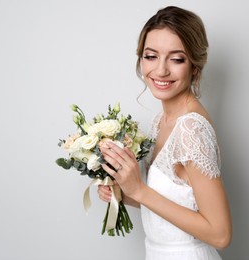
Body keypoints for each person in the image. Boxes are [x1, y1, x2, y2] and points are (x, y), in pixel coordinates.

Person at [98, 6, 232, 260]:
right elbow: (181, 205)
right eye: (151, 56)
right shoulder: (162, 120)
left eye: (177, 58)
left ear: (195, 65)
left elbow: (220, 234)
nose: (160, 71)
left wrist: (140, 191)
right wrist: (124, 193)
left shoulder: (191, 128)